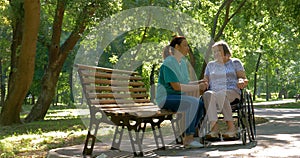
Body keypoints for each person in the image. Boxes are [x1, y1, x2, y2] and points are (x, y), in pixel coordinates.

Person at [156, 36, 207, 148]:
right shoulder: (169, 62)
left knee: (200, 104)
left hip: (177, 97)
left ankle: (190, 136)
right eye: (185, 45)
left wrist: (200, 82)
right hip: (165, 98)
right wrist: (198, 87)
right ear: (176, 47)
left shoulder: (182, 63)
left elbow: (185, 83)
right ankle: (188, 139)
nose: (187, 48)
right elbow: (177, 87)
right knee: (193, 102)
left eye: (188, 45)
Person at [202, 40, 248, 139]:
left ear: (226, 52)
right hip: (214, 92)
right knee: (207, 94)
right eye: (214, 52)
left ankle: (231, 129)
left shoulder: (235, 62)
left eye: (218, 51)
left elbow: (242, 77)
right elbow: (206, 80)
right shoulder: (210, 65)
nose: (216, 53)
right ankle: (214, 129)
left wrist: (241, 81)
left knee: (221, 94)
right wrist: (202, 84)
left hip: (232, 91)